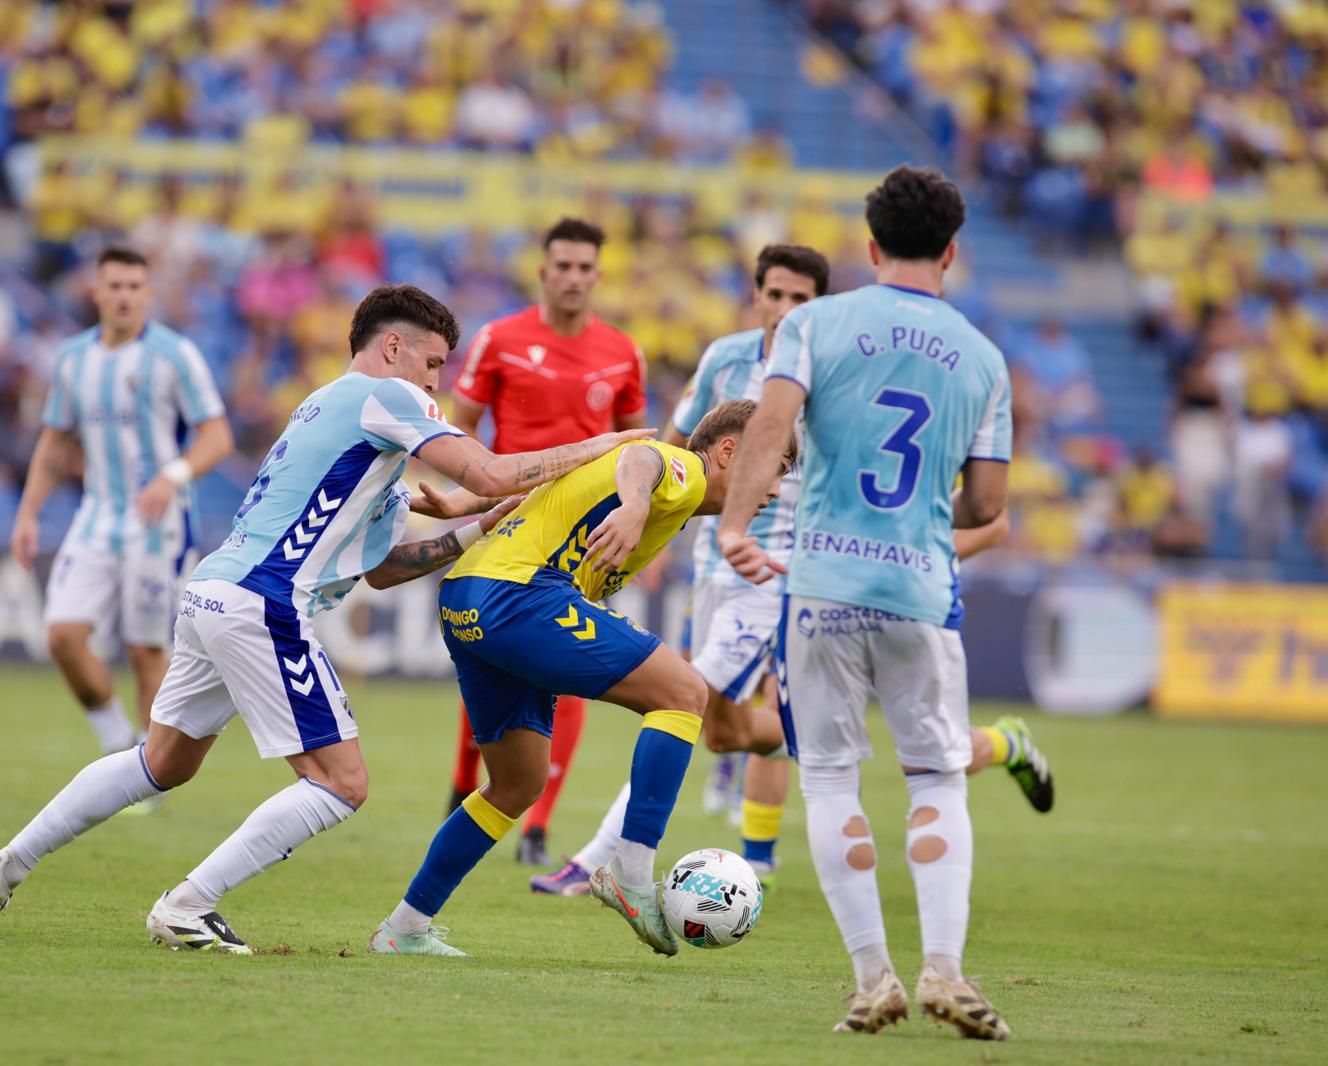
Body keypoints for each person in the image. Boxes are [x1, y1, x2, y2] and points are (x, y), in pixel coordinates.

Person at [0, 285, 653, 952]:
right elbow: (490, 473)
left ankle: (3, 866)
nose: (436, 383)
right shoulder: (388, 396)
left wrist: (469, 532)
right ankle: (187, 905)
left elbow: (379, 568)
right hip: (265, 603)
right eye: (433, 364)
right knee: (342, 783)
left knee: (161, 761)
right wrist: (605, 445)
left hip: (213, 593)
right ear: (391, 351)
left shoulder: (328, 411)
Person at [532, 246, 1051, 901]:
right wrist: (650, 529)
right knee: (726, 732)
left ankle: (600, 862)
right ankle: (996, 745)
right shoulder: (725, 358)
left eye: (798, 299)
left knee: (678, 695)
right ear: (756, 296)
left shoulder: (835, 368)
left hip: (782, 573)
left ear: (819, 306)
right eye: (772, 295)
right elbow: (670, 451)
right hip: (715, 567)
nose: (782, 309)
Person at [719, 165, 1015, 1039]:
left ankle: (871, 979)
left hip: (821, 585)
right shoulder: (985, 359)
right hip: (921, 590)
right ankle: (947, 970)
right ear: (952, 251)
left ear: (871, 245)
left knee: (829, 778)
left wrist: (738, 523)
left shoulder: (814, 325)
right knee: (934, 776)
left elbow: (769, 428)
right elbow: (990, 507)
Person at [370, 399, 796, 958]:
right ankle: (633, 871)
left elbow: (554, 475)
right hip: (518, 594)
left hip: (465, 597)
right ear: (728, 451)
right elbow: (642, 458)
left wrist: (462, 502)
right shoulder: (684, 473)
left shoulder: (665, 489)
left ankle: (403, 928)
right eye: (775, 468)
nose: (774, 491)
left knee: (517, 784)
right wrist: (635, 507)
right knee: (685, 692)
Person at [445, 217, 649, 866]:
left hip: (582, 536)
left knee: (566, 671)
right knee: (487, 656)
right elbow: (460, 433)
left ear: (598, 274)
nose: (573, 277)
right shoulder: (498, 340)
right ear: (543, 270)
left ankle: (537, 826)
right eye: (562, 265)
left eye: (585, 267)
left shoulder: (623, 352)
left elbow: (637, 446)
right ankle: (462, 787)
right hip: (504, 521)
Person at [10, 247, 234, 761]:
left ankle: (147, 769)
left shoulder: (175, 354)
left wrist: (170, 476)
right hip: (96, 518)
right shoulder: (72, 359)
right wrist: (28, 513)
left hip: (159, 525)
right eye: (114, 285)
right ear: (96, 292)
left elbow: (217, 436)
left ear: (148, 293)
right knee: (63, 637)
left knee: (145, 650)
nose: (124, 296)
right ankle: (118, 746)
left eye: (135, 286)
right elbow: (54, 441)